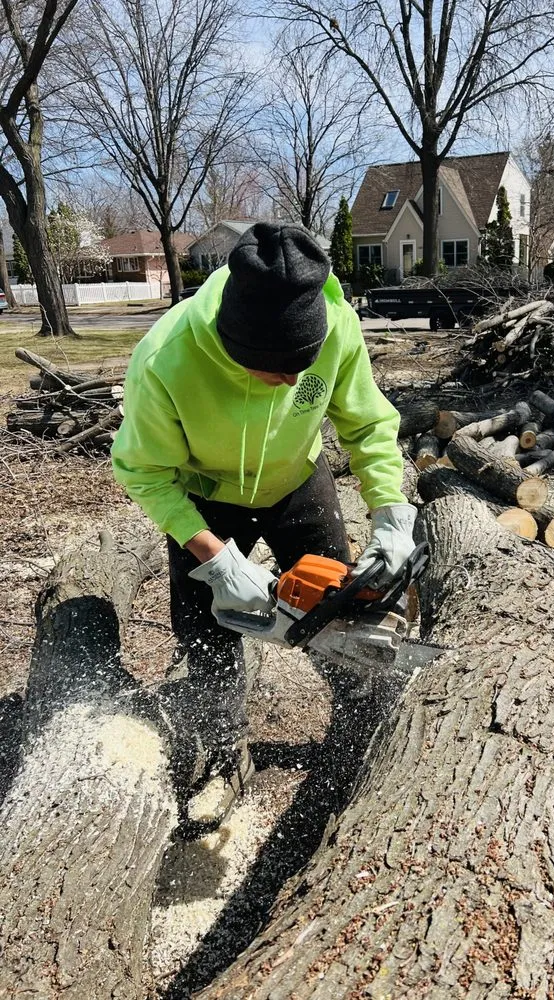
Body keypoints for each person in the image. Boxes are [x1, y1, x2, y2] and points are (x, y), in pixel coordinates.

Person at [111, 222, 417, 834]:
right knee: (205, 632)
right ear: (235, 345)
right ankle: (224, 759)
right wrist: (215, 558)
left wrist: (389, 511)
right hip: (206, 497)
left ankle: (367, 727)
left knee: (343, 608)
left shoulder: (336, 327)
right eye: (273, 372)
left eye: (298, 371)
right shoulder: (168, 358)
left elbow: (366, 425)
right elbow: (143, 472)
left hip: (297, 480)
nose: (287, 384)